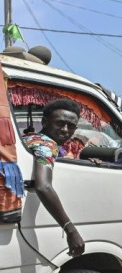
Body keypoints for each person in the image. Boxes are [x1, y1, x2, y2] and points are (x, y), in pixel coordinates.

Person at [22, 99, 86, 256]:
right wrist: (70, 230)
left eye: (71, 126)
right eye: (60, 123)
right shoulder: (46, 145)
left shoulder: (33, 138)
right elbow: (43, 186)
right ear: (44, 122)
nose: (65, 130)